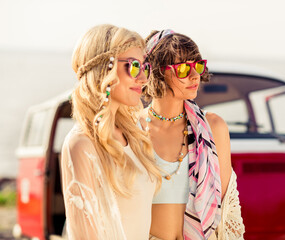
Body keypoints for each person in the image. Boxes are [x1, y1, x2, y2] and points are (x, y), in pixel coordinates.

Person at [140, 29, 245, 240]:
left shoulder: (214, 127)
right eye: (182, 69)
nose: (194, 75)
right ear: (158, 72)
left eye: (197, 65)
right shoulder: (135, 129)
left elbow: (223, 211)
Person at [60, 24, 161, 240]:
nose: (143, 79)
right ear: (105, 69)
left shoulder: (135, 137)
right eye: (134, 66)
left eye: (145, 68)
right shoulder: (81, 143)